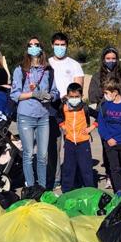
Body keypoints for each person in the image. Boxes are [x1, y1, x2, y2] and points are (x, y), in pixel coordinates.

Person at [10, 37, 58, 194]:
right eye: (30, 45)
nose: (33, 47)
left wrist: (50, 96)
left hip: (44, 116)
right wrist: (33, 94)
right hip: (25, 115)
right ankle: (30, 187)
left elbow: (55, 92)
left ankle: (42, 188)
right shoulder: (20, 70)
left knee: (43, 155)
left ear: (41, 48)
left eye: (36, 45)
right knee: (29, 154)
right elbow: (14, 95)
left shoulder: (48, 70)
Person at [46, 32, 85, 190]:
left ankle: (74, 176)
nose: (60, 48)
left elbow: (79, 86)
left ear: (67, 46)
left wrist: (70, 101)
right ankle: (55, 178)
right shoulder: (46, 63)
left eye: (63, 45)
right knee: (53, 145)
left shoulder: (74, 64)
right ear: (52, 45)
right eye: (57, 44)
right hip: (52, 107)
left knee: (71, 144)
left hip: (71, 108)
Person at [88, 46, 121, 188]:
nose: (111, 61)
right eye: (108, 58)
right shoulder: (97, 77)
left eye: (113, 58)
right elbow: (93, 96)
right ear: (103, 59)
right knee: (108, 147)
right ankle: (110, 175)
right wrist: (106, 96)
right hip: (105, 115)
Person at [97, 78, 121, 194]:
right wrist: (108, 138)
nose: (105, 95)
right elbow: (101, 125)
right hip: (111, 142)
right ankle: (118, 190)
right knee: (115, 168)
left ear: (115, 92)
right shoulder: (104, 106)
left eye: (107, 93)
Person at [59, 82, 96, 191]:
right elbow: (58, 117)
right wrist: (62, 125)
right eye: (71, 97)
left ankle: (90, 190)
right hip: (69, 142)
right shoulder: (63, 107)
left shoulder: (85, 108)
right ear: (67, 96)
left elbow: (100, 116)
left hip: (83, 143)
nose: (74, 99)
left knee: (86, 169)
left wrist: (92, 127)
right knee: (68, 168)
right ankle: (66, 192)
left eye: (77, 97)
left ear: (81, 96)